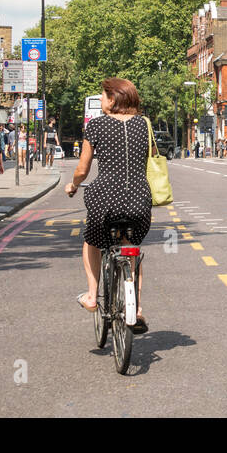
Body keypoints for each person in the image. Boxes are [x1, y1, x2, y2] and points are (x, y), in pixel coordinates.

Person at [66, 77, 153, 334]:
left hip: (105, 198)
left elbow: (83, 169)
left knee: (91, 242)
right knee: (131, 248)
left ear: (113, 99)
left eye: (103, 96)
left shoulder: (96, 126)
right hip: (139, 199)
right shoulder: (143, 125)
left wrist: (72, 185)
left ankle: (92, 295)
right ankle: (135, 308)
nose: (101, 100)